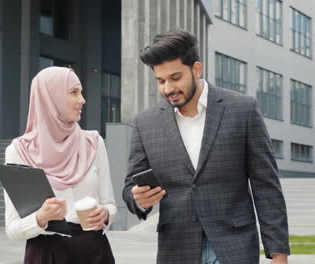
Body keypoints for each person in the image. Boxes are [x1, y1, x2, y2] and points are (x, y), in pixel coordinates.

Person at [122, 29, 290, 264]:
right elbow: (131, 185)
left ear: (196, 69)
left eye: (176, 77)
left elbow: (267, 186)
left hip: (234, 248)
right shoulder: (145, 123)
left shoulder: (243, 110)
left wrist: (279, 253)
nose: (168, 88)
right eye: (160, 81)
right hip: (177, 250)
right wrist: (137, 198)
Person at [4, 67, 116, 264]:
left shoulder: (94, 143)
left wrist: (106, 215)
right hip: (46, 253)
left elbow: (109, 204)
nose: (82, 100)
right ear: (50, 98)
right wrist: (41, 218)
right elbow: (12, 228)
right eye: (74, 92)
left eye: (80, 92)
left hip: (94, 251)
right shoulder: (19, 151)